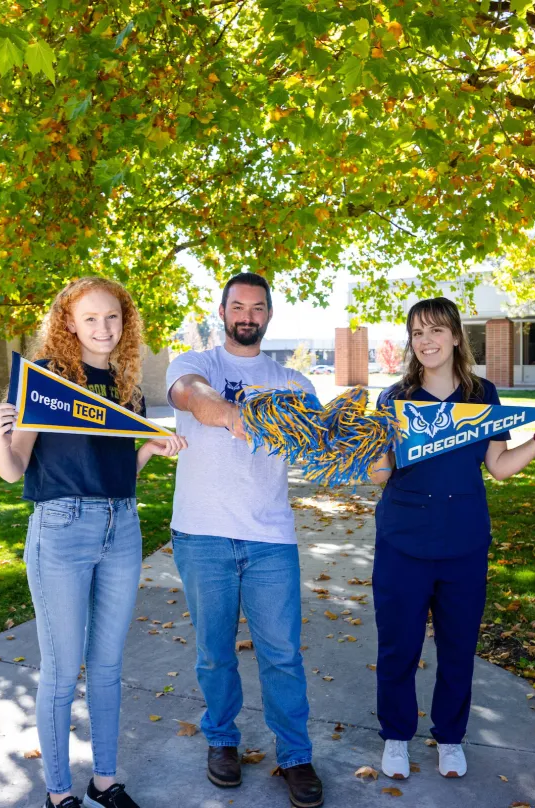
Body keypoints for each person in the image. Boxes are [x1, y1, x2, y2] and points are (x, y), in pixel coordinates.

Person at [0, 277, 187, 808]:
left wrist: (154, 446)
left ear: (125, 323)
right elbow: (13, 470)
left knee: (106, 665)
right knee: (61, 669)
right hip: (61, 529)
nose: (103, 328)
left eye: (113, 318)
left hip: (120, 526)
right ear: (68, 323)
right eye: (91, 318)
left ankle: (104, 781)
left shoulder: (127, 384)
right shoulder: (47, 380)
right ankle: (59, 794)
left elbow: (122, 468)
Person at [369, 297, 535, 780]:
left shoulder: (484, 395)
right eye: (417, 333)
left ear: (456, 336)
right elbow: (378, 476)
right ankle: (396, 737)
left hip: (463, 544)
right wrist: (367, 447)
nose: (427, 341)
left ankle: (450, 738)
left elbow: (498, 468)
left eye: (436, 330)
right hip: (403, 543)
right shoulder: (393, 398)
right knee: (398, 648)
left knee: (458, 649)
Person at [166, 272, 324, 808]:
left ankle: (296, 756)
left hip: (269, 536)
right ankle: (223, 741)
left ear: (269, 315)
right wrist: (239, 417)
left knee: (281, 653)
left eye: (257, 308)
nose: (247, 316)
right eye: (238, 306)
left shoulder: (296, 384)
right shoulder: (196, 364)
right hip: (202, 533)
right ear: (223, 310)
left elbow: (320, 449)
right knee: (214, 654)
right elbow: (193, 397)